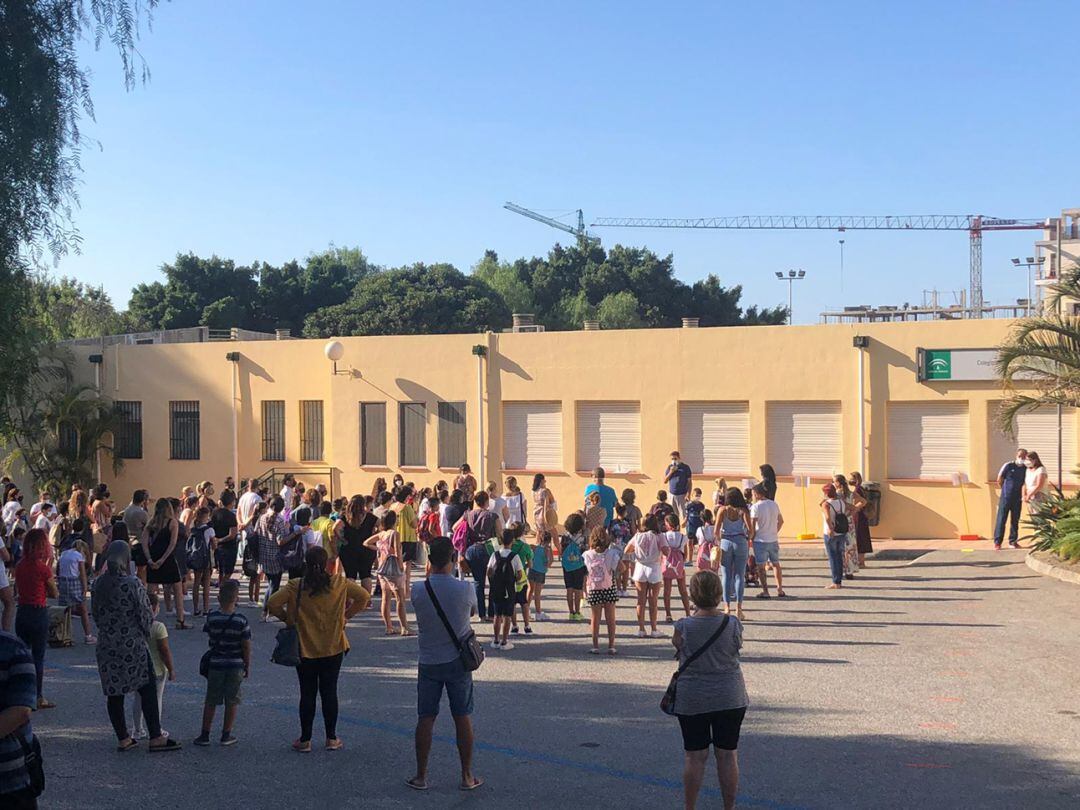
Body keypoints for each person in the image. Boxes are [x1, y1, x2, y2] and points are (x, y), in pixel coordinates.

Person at [267, 546, 370, 752]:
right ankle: (331, 738)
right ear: (326, 564)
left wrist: (288, 619)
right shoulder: (339, 582)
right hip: (333, 645)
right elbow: (364, 597)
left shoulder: (296, 585)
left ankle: (305, 739)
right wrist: (346, 616)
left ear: (305, 563)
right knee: (329, 691)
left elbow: (272, 602)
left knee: (307, 692)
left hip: (305, 647)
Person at [407, 537, 483, 792]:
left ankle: (421, 775)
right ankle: (467, 775)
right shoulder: (465, 589)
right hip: (457, 660)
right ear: (453, 559)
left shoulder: (418, 589)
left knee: (425, 718)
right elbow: (471, 613)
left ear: (429, 560)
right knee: (462, 716)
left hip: (428, 660)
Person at [92, 541, 180, 752]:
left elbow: (95, 614)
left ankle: (123, 737)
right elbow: (145, 615)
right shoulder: (132, 584)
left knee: (114, 692)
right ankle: (155, 735)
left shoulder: (98, 584)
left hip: (106, 644)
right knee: (147, 687)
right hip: (132, 644)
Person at [671, 571, 748, 810]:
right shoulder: (732, 623)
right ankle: (729, 807)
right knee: (727, 755)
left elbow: (678, 646)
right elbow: (737, 647)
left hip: (693, 696)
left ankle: (690, 807)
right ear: (718, 593)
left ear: (693, 595)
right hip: (729, 694)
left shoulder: (683, 626)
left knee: (694, 756)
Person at [194, 579, 250, 747]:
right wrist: (247, 664)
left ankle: (205, 733)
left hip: (216, 662)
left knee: (211, 699)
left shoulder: (212, 617)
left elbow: (208, 632)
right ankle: (226, 734)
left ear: (218, 598)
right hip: (235, 664)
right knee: (232, 699)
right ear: (237, 598)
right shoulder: (241, 620)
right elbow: (246, 645)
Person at [13, 530, 57, 710]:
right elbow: (54, 592)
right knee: (38, 657)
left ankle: (19, 695)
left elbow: (17, 589)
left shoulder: (20, 565)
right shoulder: (43, 568)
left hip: (22, 612)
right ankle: (38, 697)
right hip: (38, 612)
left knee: (21, 656)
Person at [0, 628, 39, 808]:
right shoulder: (14, 648)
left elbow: (20, 711)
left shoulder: (12, 648)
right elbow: (21, 710)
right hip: (10, 775)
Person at [130, 592, 174, 740]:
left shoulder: (134, 625)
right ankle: (156, 729)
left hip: (138, 667)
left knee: (138, 698)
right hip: (157, 669)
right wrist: (171, 669)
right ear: (154, 607)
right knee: (156, 699)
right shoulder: (158, 627)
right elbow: (164, 651)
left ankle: (137, 729)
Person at [365, 512, 410, 635]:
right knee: (400, 598)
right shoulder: (394, 534)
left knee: (386, 597)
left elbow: (366, 543)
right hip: (394, 568)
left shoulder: (381, 534)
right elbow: (397, 552)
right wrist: (401, 567)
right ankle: (404, 627)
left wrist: (380, 548)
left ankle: (389, 627)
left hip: (382, 567)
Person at [144, 499, 187, 629]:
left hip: (153, 556)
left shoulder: (151, 523)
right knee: (177, 588)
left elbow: (144, 542)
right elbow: (172, 543)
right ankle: (180, 620)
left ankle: (147, 618)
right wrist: (163, 559)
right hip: (167, 558)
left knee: (151, 590)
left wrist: (149, 559)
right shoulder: (172, 522)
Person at [460, 492, 503, 621]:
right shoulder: (492, 516)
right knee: (493, 582)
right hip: (488, 549)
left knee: (478, 582)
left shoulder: (468, 515)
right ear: (486, 501)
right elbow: (500, 535)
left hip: (472, 550)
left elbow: (456, 527)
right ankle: (491, 614)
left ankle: (481, 614)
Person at [625, 514, 666, 637]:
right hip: (654, 567)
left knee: (640, 601)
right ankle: (654, 629)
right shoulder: (659, 536)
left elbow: (627, 550)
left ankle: (641, 629)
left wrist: (637, 551)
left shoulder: (637, 536)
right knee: (653, 601)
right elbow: (666, 551)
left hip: (640, 568)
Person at [582, 527, 620, 655]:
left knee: (595, 618)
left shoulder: (587, 555)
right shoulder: (612, 554)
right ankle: (611, 645)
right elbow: (622, 567)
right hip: (609, 587)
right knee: (610, 618)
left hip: (594, 587)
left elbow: (585, 571)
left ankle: (595, 645)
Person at [716, 489, 752, 620]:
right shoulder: (743, 511)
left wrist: (718, 542)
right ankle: (739, 608)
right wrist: (747, 538)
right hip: (740, 541)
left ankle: (726, 607)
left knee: (726, 575)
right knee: (739, 575)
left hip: (726, 541)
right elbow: (750, 530)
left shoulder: (722, 510)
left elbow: (716, 531)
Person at [486, 529, 524, 651]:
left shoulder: (494, 555)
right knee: (507, 615)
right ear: (512, 540)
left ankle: (496, 639)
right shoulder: (515, 556)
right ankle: (504, 641)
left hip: (497, 588)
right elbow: (519, 574)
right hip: (509, 589)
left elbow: (489, 571)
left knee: (497, 614)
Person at [750, 484, 785, 598]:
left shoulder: (756, 507)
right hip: (773, 538)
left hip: (760, 539)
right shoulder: (774, 504)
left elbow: (753, 524)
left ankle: (765, 591)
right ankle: (779, 589)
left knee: (761, 566)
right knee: (776, 564)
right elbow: (781, 521)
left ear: (756, 494)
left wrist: (751, 537)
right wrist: (775, 531)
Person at [57, 538, 96, 643]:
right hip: (74, 581)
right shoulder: (79, 556)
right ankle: (88, 635)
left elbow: (58, 569)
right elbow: (82, 573)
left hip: (63, 582)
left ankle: (62, 635)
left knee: (64, 610)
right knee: (83, 609)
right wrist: (85, 587)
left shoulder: (64, 554)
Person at [337, 495, 377, 592]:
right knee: (366, 575)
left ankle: (350, 599)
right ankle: (367, 600)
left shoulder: (345, 516)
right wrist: (374, 535)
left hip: (348, 549)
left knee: (350, 575)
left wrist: (341, 538)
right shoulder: (370, 516)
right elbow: (380, 526)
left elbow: (335, 527)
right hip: (366, 549)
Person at [994, 449, 1028, 549]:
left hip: (1017, 498)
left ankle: (1013, 541)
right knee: (1001, 519)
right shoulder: (1008, 465)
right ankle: (997, 542)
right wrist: (1004, 490)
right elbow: (999, 479)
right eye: (1020, 456)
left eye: (1023, 456)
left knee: (1015, 520)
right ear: (1016, 455)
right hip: (1005, 497)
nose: (1021, 458)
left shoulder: (1025, 468)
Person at [662, 513, 691, 622]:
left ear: (668, 524)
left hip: (667, 564)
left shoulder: (664, 536)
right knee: (683, 590)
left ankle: (668, 614)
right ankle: (688, 613)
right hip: (678, 565)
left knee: (667, 590)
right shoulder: (683, 537)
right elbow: (686, 553)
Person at [390, 487, 419, 595]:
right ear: (407, 496)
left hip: (395, 537)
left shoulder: (392, 507)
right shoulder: (407, 508)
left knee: (396, 564)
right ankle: (406, 590)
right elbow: (414, 524)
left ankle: (395, 588)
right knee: (406, 565)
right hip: (408, 538)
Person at [187, 507, 215, 617]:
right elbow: (214, 545)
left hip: (196, 558)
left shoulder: (193, 529)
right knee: (207, 584)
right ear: (206, 517)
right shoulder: (209, 530)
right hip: (206, 558)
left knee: (196, 583)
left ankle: (195, 609)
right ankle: (206, 609)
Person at [560, 512, 588, 622]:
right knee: (578, 590)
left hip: (567, 565)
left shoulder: (564, 537)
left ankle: (570, 612)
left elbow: (562, 550)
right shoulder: (582, 538)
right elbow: (585, 551)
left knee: (569, 589)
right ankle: (577, 612)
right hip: (579, 566)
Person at [821, 483, 848, 590]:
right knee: (839, 556)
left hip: (830, 532)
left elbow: (827, 517)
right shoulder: (841, 502)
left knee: (832, 557)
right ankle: (839, 580)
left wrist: (830, 529)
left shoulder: (826, 504)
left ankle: (835, 582)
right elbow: (851, 509)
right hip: (841, 531)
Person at [211, 490, 240, 582]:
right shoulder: (231, 515)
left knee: (220, 570)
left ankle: (221, 587)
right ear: (232, 502)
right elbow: (232, 534)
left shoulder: (214, 513)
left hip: (217, 546)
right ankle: (223, 588)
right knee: (228, 572)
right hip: (229, 546)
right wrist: (220, 540)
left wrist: (216, 540)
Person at [849, 471, 875, 564]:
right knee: (861, 537)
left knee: (859, 537)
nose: (850, 480)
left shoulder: (858, 490)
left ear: (856, 479)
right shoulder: (861, 489)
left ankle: (861, 561)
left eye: (851, 478)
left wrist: (854, 509)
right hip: (861, 516)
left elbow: (859, 502)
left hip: (859, 516)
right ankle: (861, 561)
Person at [528, 530, 553, 621]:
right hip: (541, 572)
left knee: (530, 590)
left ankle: (526, 610)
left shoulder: (534, 548)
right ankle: (538, 612)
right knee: (537, 594)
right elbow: (549, 563)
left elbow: (530, 555)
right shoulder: (548, 550)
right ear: (549, 541)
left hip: (532, 570)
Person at [663, 451, 694, 523]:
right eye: (672, 459)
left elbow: (689, 482)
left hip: (682, 495)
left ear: (679, 458)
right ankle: (675, 531)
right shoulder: (669, 467)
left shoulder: (685, 468)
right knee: (673, 516)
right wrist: (671, 472)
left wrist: (688, 493)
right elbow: (665, 481)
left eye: (675, 458)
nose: (673, 460)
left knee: (684, 515)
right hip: (672, 495)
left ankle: (685, 532)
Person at [532, 474, 558, 543]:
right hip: (545, 514)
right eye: (544, 480)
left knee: (539, 533)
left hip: (536, 514)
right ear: (542, 481)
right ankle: (560, 551)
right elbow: (547, 505)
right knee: (555, 535)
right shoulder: (545, 491)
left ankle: (537, 550)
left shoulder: (534, 491)